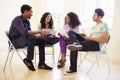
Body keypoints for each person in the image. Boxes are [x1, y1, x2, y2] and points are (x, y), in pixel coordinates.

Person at [9, 4, 52, 71]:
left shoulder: (27, 22)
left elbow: (29, 33)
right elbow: (24, 32)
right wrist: (38, 31)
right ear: (25, 11)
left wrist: (39, 36)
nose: (32, 14)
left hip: (24, 40)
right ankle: (28, 60)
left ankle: (41, 63)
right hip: (15, 42)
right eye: (31, 12)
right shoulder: (17, 20)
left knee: (42, 40)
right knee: (32, 37)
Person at [66, 8, 109, 73]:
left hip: (96, 45)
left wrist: (90, 38)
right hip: (90, 42)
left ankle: (73, 68)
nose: (93, 16)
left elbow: (104, 40)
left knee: (73, 47)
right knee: (71, 33)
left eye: (95, 15)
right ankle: (76, 43)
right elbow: (91, 37)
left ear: (100, 17)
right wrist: (86, 36)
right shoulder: (94, 26)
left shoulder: (104, 25)